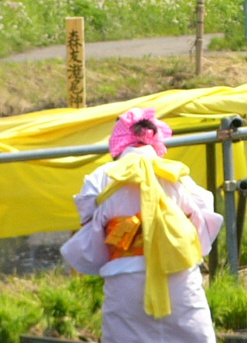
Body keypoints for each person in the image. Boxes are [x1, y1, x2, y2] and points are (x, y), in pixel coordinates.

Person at [60, 107, 223, 343]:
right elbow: (203, 221)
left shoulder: (100, 178)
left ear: (118, 142)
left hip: (125, 279)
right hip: (178, 274)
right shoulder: (177, 175)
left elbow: (89, 231)